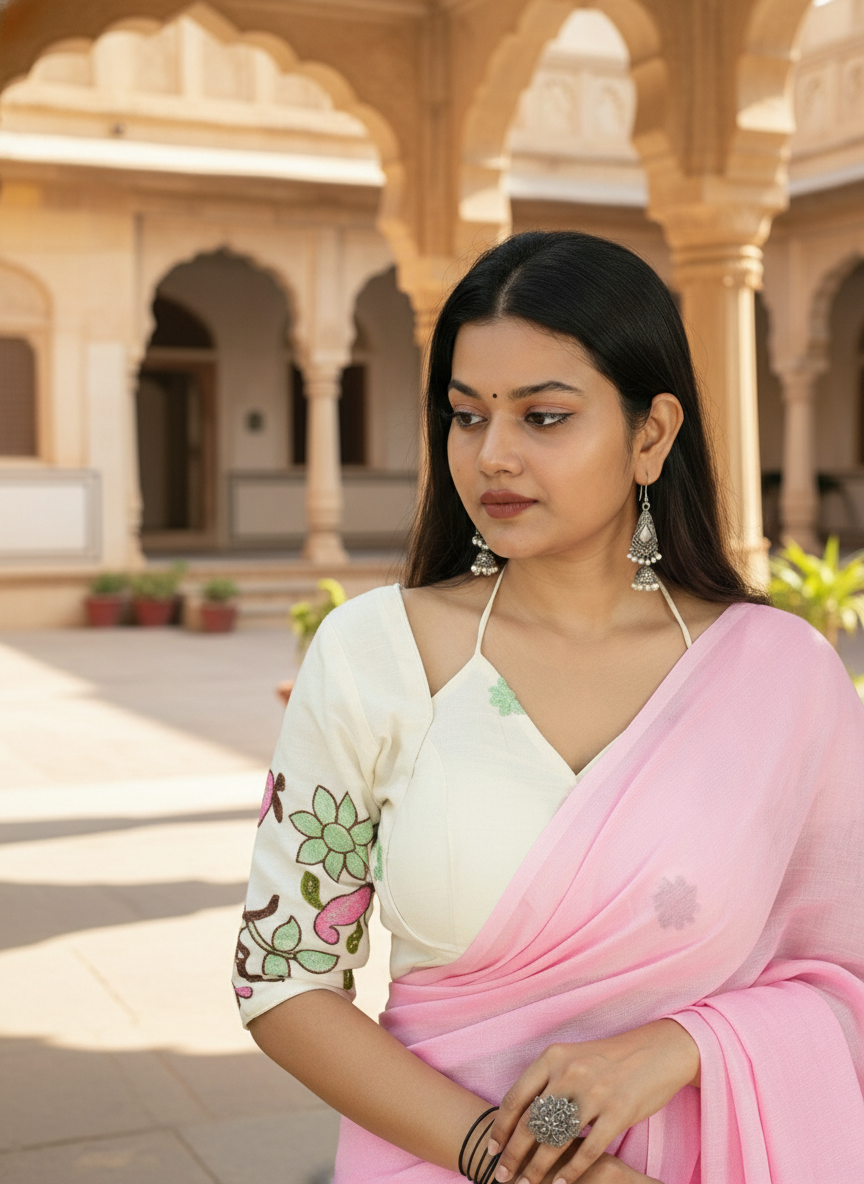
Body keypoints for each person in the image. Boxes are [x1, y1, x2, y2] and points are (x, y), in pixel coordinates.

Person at [233, 231, 864, 1184]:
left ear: (651, 435)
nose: (493, 455)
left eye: (544, 417)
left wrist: (677, 1047)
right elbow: (282, 979)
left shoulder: (781, 677)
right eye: (466, 415)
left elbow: (846, 977)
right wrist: (515, 1162)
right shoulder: (375, 655)